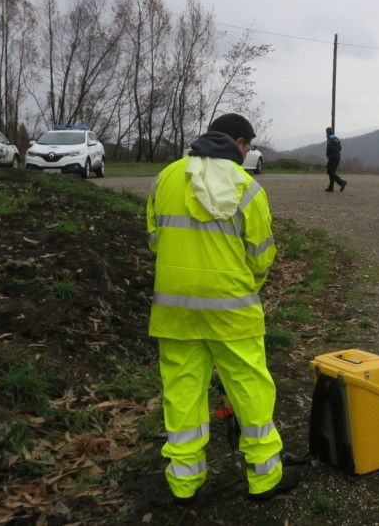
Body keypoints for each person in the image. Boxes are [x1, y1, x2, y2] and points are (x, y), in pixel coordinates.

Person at [145, 113, 300, 505]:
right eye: (247, 147)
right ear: (240, 143)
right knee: (250, 390)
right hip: (233, 312)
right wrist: (242, 287)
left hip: (175, 309)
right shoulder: (247, 187)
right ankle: (264, 479)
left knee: (181, 395)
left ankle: (184, 484)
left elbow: (154, 240)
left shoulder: (166, 178)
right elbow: (261, 256)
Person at [324, 127, 347, 192]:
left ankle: (341, 182)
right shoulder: (337, 138)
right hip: (337, 157)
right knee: (332, 172)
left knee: (329, 172)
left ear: (327, 132)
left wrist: (328, 155)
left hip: (332, 157)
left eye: (326, 132)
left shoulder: (330, 139)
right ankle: (331, 188)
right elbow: (340, 148)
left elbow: (329, 148)